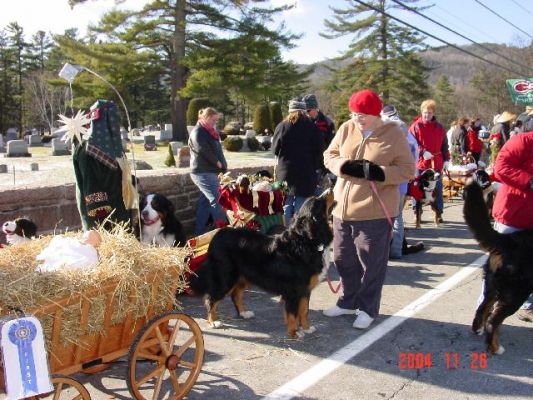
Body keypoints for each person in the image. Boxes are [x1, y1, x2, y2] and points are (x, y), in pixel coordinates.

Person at [322, 89, 415, 329]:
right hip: (342, 208)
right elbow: (329, 155)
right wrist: (343, 165)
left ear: (376, 114)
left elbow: (408, 169)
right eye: (354, 114)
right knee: (342, 258)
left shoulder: (393, 133)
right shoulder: (346, 128)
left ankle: (367, 308)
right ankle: (347, 301)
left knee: (371, 263)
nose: (357, 119)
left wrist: (379, 172)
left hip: (375, 210)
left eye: (363, 114)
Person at [480, 130, 533, 321]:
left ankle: (528, 306)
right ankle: (484, 311)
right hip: (513, 215)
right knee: (499, 271)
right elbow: (501, 167)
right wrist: (529, 180)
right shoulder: (523, 141)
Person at [272, 98, 324, 226]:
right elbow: (320, 150)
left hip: (285, 171)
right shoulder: (312, 127)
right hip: (306, 171)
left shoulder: (282, 126)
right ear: (303, 110)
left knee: (287, 200)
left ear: (290, 111)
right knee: (301, 200)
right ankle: (296, 228)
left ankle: (287, 227)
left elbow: (275, 149)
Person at [380, 105, 420, 259]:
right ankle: (396, 250)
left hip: (386, 179)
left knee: (383, 217)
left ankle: (383, 251)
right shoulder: (409, 135)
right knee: (398, 217)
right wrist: (410, 175)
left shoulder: (385, 132)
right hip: (402, 182)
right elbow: (415, 158)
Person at [408, 99, 450, 223]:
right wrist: (422, 151)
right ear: (422, 112)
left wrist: (447, 159)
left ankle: (438, 213)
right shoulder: (415, 126)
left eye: (430, 113)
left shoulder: (440, 128)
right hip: (421, 162)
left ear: (433, 113)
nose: (427, 115)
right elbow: (411, 143)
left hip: (436, 162)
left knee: (437, 188)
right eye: (425, 112)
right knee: (417, 187)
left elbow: (444, 145)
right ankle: (417, 211)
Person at [188, 107, 228, 235]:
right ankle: (223, 234)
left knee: (204, 203)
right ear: (205, 118)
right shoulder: (198, 131)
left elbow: (217, 150)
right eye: (213, 120)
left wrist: (223, 166)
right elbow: (202, 149)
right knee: (218, 200)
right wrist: (217, 162)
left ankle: (199, 233)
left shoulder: (210, 131)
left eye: (216, 121)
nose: (215, 123)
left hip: (209, 171)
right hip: (202, 172)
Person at [303, 94, 336, 194]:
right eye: (305, 111)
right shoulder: (303, 122)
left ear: (315, 108)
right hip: (306, 162)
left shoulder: (327, 122)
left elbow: (332, 144)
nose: (307, 113)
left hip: (322, 163)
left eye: (308, 110)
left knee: (322, 193)